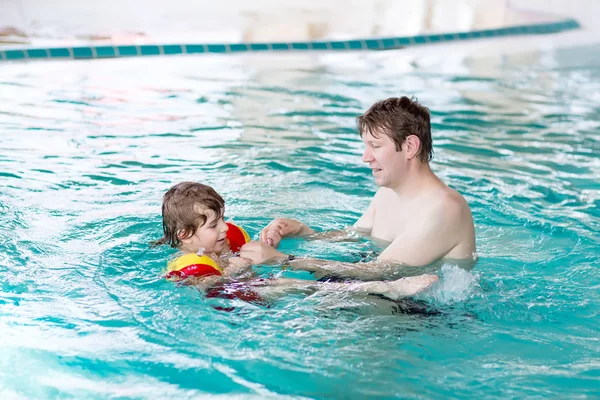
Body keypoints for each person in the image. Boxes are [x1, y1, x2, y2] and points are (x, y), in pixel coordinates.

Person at [239, 97, 477, 279]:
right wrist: (304, 232)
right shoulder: (388, 193)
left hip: (428, 318)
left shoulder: (444, 210)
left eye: (375, 146)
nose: (366, 157)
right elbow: (354, 236)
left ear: (410, 146)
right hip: (393, 294)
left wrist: (283, 260)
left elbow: (377, 272)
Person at [152, 182, 439, 305]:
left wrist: (269, 243)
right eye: (214, 225)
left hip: (256, 279)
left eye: (223, 219)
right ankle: (381, 287)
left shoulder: (225, 239)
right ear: (185, 235)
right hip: (240, 304)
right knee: (280, 284)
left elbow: (258, 253)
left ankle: (373, 274)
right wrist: (233, 271)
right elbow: (206, 287)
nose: (225, 228)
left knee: (289, 263)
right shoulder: (186, 266)